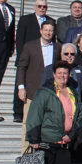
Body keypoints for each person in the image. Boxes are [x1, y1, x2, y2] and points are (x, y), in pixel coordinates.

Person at [25, 61, 82, 164]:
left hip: (65, 141)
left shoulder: (72, 92)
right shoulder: (45, 92)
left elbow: (79, 115)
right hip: (47, 139)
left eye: (65, 73)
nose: (62, 76)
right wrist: (33, 137)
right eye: (59, 73)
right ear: (53, 75)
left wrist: (71, 134)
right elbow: (34, 115)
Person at [16, 20, 61, 152]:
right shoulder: (30, 46)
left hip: (49, 93)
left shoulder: (57, 47)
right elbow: (21, 67)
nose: (48, 33)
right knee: (28, 122)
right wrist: (21, 87)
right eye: (46, 30)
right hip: (32, 91)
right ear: (41, 31)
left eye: (51, 30)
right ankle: (26, 152)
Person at [13, 0, 54, 122]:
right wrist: (21, 58)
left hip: (45, 58)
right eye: (39, 6)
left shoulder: (51, 21)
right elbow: (20, 39)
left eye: (44, 6)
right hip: (28, 57)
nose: (42, 8)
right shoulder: (26, 20)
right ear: (34, 7)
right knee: (22, 84)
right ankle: (18, 112)